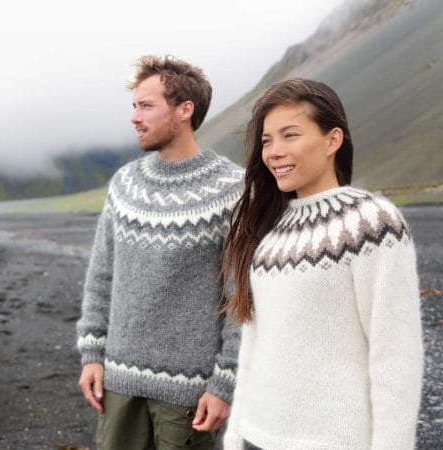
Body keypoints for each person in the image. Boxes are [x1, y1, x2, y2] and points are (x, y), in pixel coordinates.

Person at [222, 79, 424, 449]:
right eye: (267, 140)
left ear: (333, 140)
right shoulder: (269, 234)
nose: (274, 152)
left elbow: (395, 357)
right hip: (257, 435)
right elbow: (254, 346)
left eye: (290, 135)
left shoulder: (372, 224)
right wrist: (235, 436)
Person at [76, 55, 244, 449]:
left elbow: (242, 298)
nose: (135, 117)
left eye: (146, 106)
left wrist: (226, 381)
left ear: (185, 110)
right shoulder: (125, 185)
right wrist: (92, 353)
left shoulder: (233, 189)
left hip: (191, 394)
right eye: (134, 106)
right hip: (118, 383)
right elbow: (101, 277)